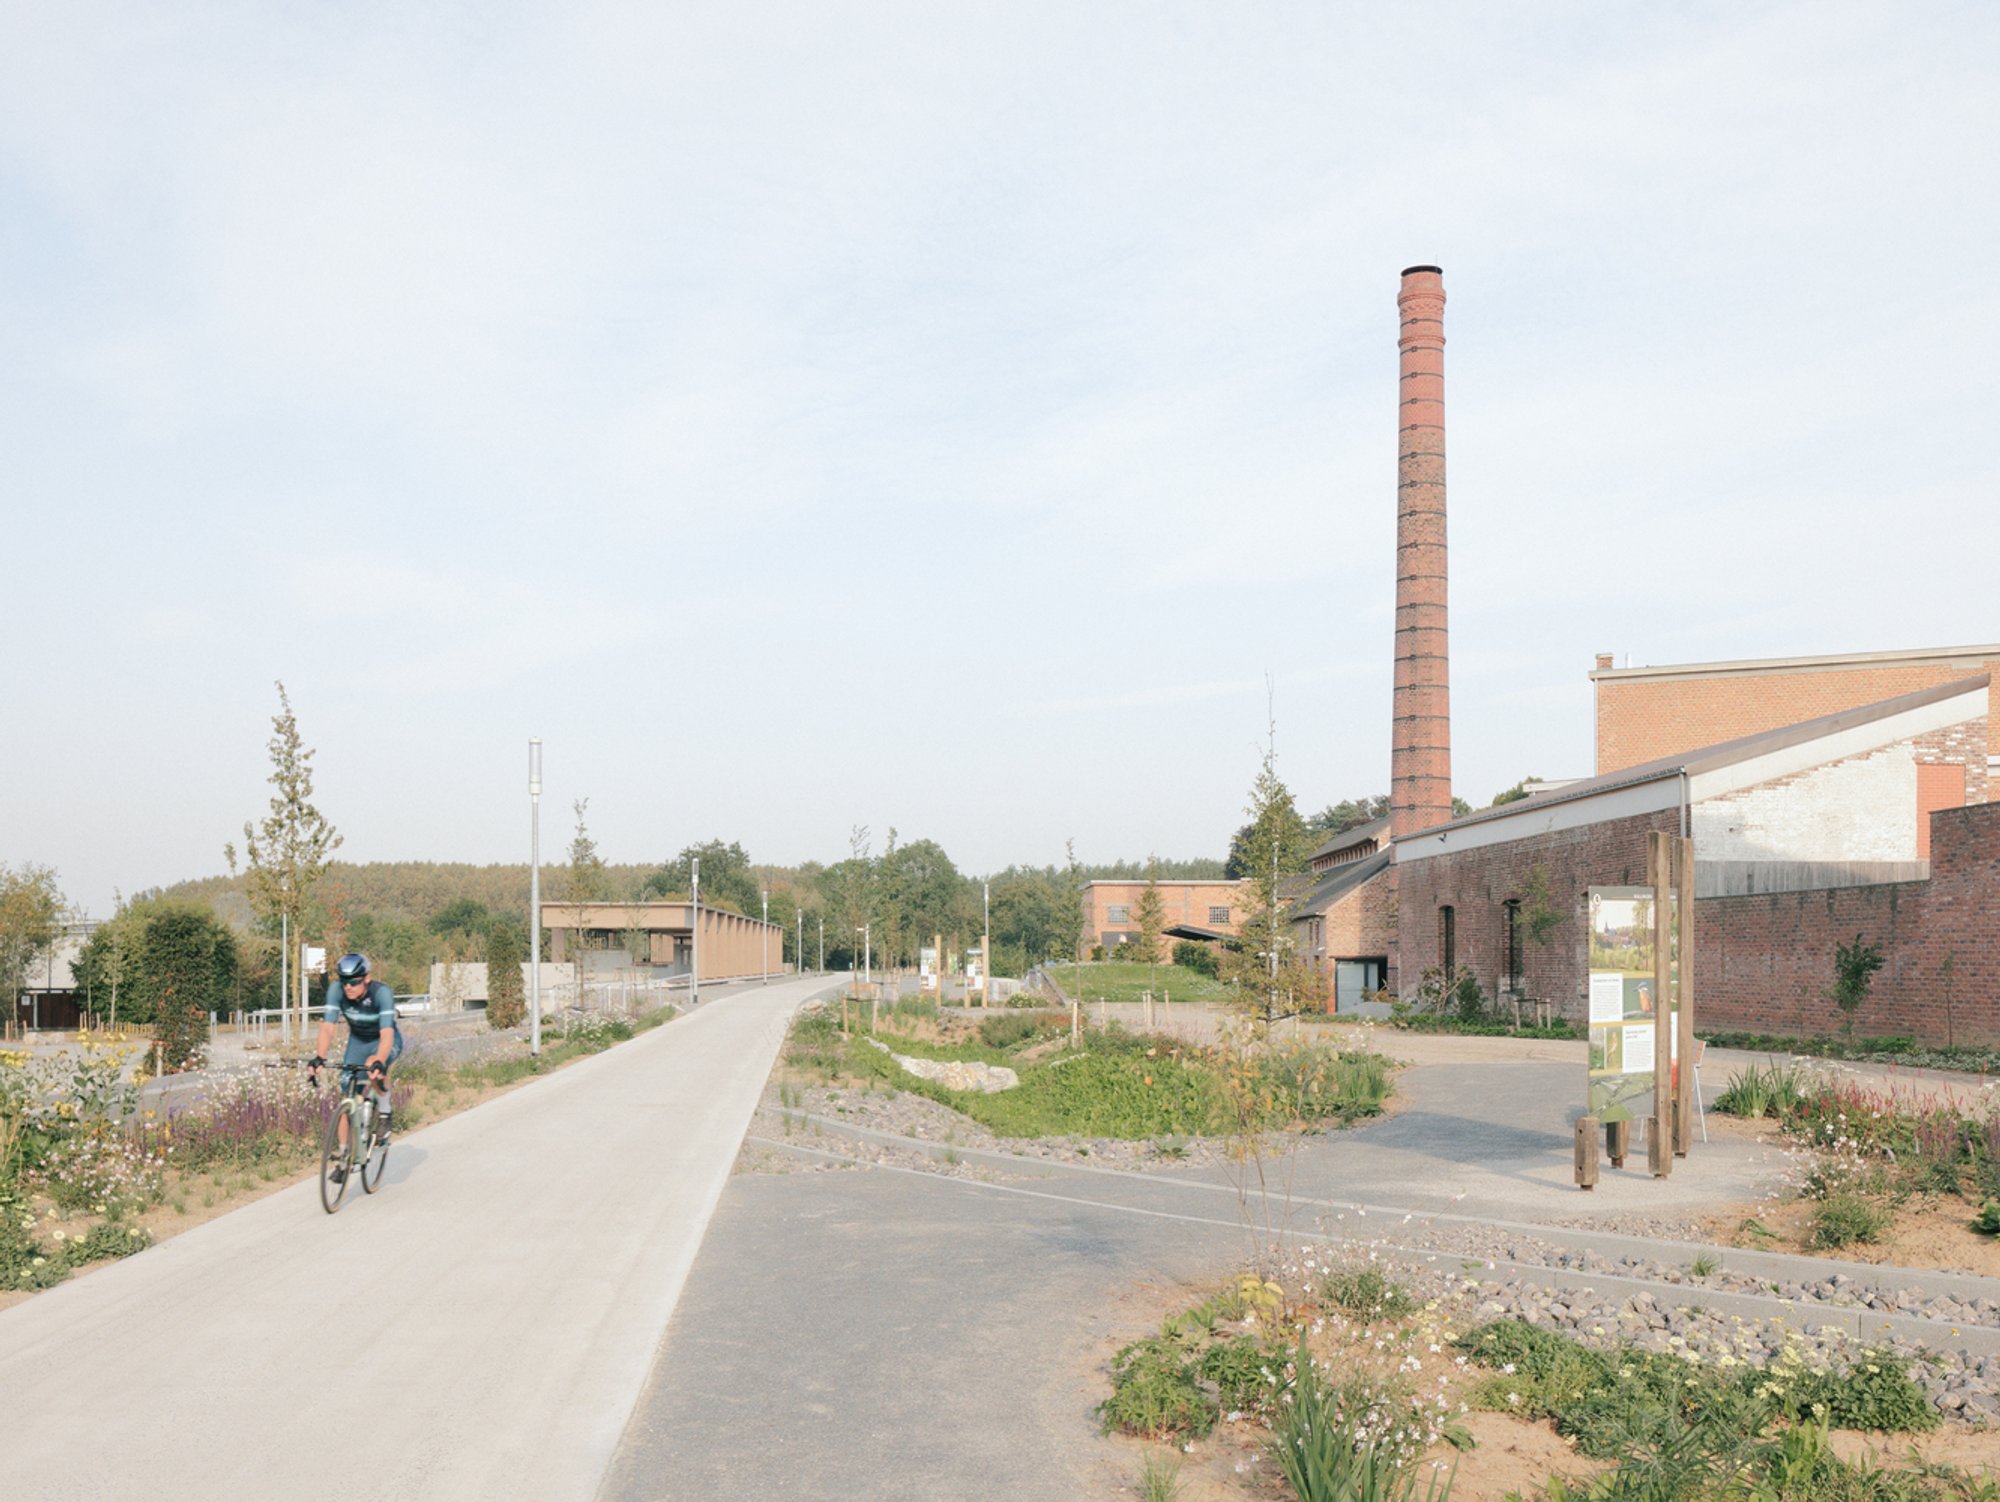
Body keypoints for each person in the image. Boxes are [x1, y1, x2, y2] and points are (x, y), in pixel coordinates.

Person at [308, 952, 402, 1179]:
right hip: (358, 1042)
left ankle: (385, 1112)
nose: (348, 987)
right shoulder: (336, 990)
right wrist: (319, 1057)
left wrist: (379, 1060)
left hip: (384, 1040)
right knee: (348, 1099)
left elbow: (387, 1033)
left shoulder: (382, 993)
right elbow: (328, 1027)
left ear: (366, 978)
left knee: (372, 1067)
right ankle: (344, 1157)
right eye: (344, 981)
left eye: (354, 982)